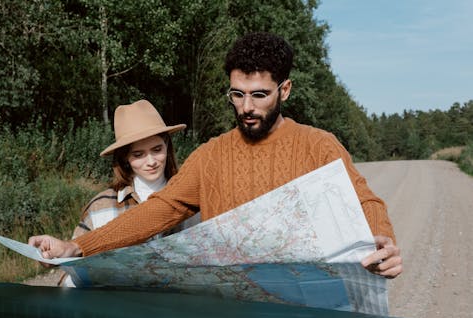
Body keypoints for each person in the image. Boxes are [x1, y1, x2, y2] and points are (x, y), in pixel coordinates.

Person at [29, 32, 402, 279]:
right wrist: (77, 246)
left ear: (284, 90)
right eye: (237, 94)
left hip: (300, 310)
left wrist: (381, 239)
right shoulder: (212, 155)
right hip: (232, 311)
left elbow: (363, 199)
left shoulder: (318, 144)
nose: (246, 108)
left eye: (259, 95)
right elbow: (159, 209)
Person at [59, 99, 196, 286]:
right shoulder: (100, 207)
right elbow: (71, 274)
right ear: (125, 158)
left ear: (167, 147)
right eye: (138, 154)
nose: (151, 161)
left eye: (157, 150)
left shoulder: (192, 198)